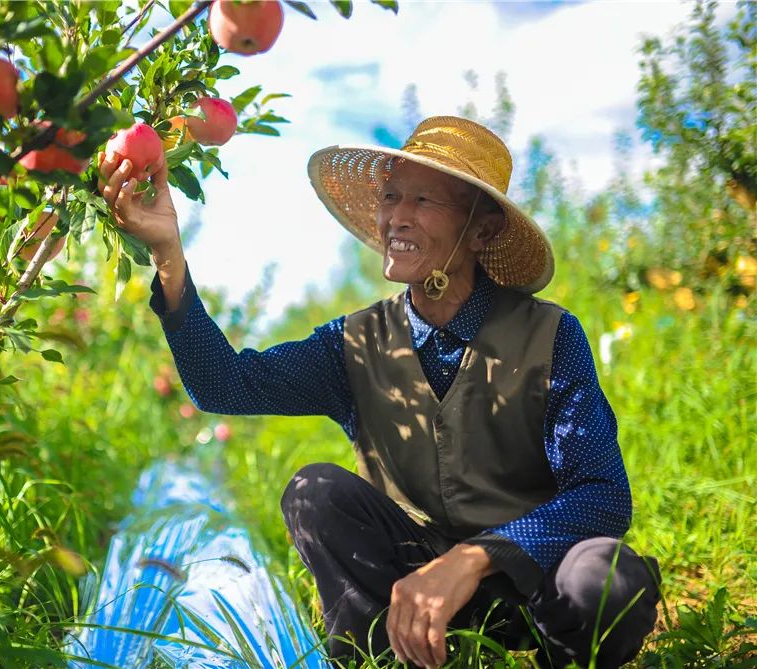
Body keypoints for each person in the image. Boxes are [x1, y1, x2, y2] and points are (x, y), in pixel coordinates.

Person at [97, 116, 661, 669]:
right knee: (314, 491)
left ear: (482, 231)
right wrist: (168, 252)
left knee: (605, 579)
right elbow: (225, 384)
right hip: (408, 586)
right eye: (392, 197)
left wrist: (475, 558)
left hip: (530, 580)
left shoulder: (548, 335)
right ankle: (380, 656)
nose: (396, 217)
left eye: (424, 201)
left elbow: (603, 496)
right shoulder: (355, 343)